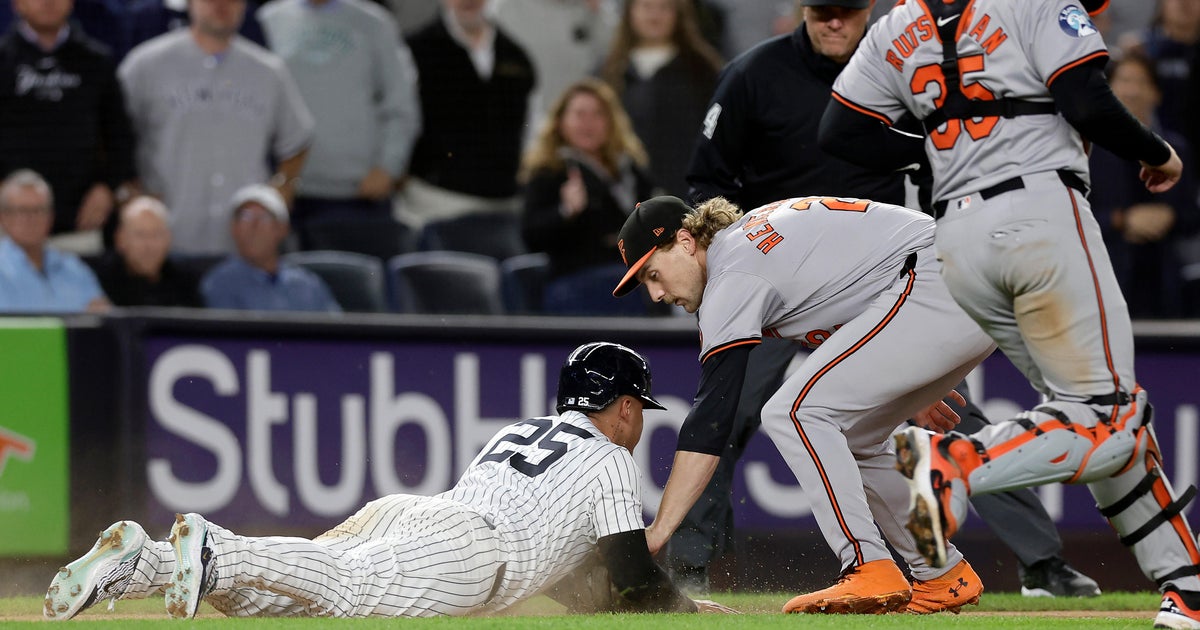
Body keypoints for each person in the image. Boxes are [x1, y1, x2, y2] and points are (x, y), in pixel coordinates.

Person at [675, 0, 1100, 600]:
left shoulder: (896, 63)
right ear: (803, 9)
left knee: (936, 420)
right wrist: (743, 257)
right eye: (823, 10)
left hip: (891, 275)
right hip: (779, 290)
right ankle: (689, 566)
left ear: (867, 9)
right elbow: (707, 180)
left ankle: (1039, 560)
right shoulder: (754, 74)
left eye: (846, 11)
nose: (833, 22)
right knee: (734, 409)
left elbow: (942, 156)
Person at [820, 1, 1200, 627]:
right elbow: (1086, 99)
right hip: (1040, 215)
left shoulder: (896, 22)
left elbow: (839, 132)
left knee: (1097, 416)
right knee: (1109, 415)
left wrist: (940, 146)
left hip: (958, 239)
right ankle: (949, 463)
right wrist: (1157, 151)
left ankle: (1185, 588)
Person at [44, 342, 737, 619]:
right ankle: (218, 547)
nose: (637, 420)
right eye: (637, 408)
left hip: (412, 514)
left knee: (287, 605)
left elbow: (570, 575)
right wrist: (687, 610)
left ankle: (139, 563)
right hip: (470, 552)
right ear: (622, 407)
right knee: (339, 590)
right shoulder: (610, 458)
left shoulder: (519, 429)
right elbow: (633, 577)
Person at [611, 195, 994, 614]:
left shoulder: (731, 273)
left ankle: (867, 566)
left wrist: (659, 530)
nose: (655, 293)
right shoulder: (748, 241)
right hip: (958, 276)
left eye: (652, 273)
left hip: (935, 279)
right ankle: (940, 573)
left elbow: (712, 417)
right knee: (856, 436)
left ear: (685, 241)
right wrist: (907, 368)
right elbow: (857, 280)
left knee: (794, 412)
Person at [118, 0, 314, 256]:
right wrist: (130, 194)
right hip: (167, 240)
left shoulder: (268, 71)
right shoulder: (144, 64)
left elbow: (298, 139)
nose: (221, 4)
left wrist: (283, 188)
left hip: (243, 244)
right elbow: (111, 134)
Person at [257, 0, 422, 248]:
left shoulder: (376, 23)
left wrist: (389, 166)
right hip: (286, 197)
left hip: (357, 197)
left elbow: (401, 104)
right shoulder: (266, 21)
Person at [519, 79, 659, 315]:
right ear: (561, 122)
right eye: (579, 114)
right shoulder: (550, 171)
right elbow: (530, 235)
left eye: (597, 115)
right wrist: (566, 211)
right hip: (575, 279)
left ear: (611, 122)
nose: (588, 123)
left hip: (629, 274)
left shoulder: (630, 170)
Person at [0, 0, 136, 242]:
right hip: (10, 223)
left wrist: (107, 187)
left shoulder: (97, 61)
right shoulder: (3, 61)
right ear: (17, 4)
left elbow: (120, 137)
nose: (49, 2)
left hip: (82, 221)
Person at [401, 0, 536, 227]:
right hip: (433, 205)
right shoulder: (414, 50)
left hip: (505, 206)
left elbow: (531, 131)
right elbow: (400, 121)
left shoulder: (516, 56)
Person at [1090, 51, 1200, 319]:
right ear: (1108, 90)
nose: (1133, 91)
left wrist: (1169, 217)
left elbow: (1192, 214)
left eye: (1142, 82)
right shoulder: (1086, 148)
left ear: (1157, 93)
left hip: (1165, 279)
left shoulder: (1177, 149)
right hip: (1102, 277)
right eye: (1125, 81)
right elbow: (1066, 216)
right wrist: (1121, 220)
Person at [598, 0, 723, 199]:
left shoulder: (703, 70)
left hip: (686, 194)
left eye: (664, 7)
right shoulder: (608, 72)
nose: (654, 16)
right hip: (623, 197)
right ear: (630, 13)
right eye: (646, 7)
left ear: (679, 14)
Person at [200, 184, 341, 313]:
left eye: (264, 217)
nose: (254, 225)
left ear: (282, 229)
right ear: (234, 228)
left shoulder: (308, 284)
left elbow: (337, 333)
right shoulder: (219, 282)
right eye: (245, 216)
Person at [0, 170, 110, 313]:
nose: (30, 219)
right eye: (22, 210)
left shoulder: (75, 270)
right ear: (3, 217)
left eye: (38, 210)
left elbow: (106, 321)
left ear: (51, 216)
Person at [91, 196, 204, 307]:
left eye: (157, 235)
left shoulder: (185, 281)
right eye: (140, 235)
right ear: (120, 239)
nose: (149, 245)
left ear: (168, 239)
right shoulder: (97, 282)